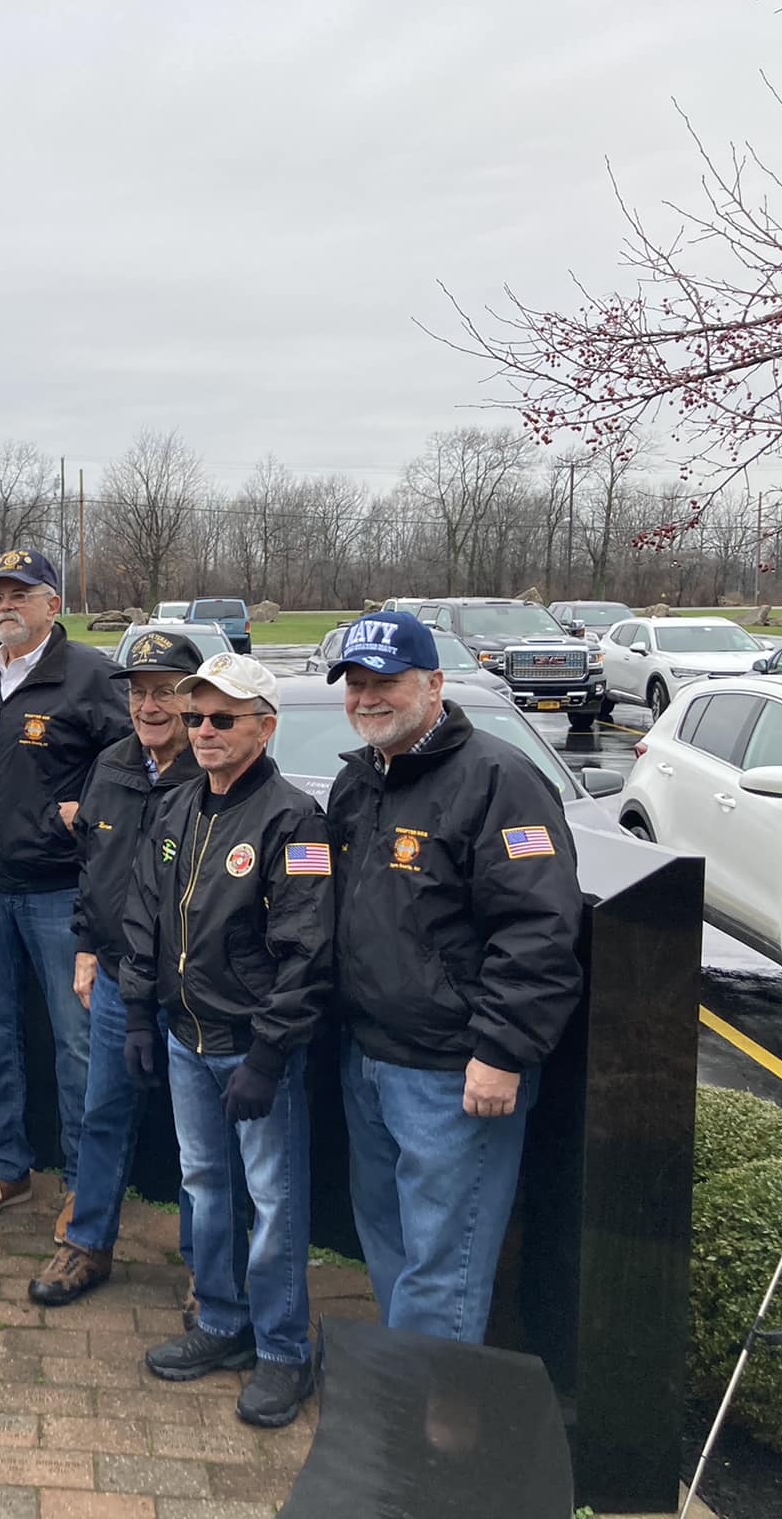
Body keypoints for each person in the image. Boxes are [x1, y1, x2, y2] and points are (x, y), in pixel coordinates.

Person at [324, 610, 581, 1344]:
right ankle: (411, 1398)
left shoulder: (499, 781)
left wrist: (502, 1051)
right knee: (390, 1244)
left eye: (389, 683)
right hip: (368, 1058)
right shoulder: (360, 783)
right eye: (358, 683)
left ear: (434, 684)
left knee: (446, 1266)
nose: (370, 698)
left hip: (452, 1075)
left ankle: (428, 1437)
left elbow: (538, 929)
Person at [122, 653, 332, 1428]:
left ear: (264, 728)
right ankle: (220, 1321)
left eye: (224, 718)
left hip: (251, 1048)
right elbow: (145, 913)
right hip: (183, 1038)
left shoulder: (293, 819)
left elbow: (307, 949)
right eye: (197, 716)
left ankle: (282, 1350)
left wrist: (270, 1056)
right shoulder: (176, 809)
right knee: (205, 1184)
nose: (204, 730)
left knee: (274, 1201)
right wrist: (140, 1014)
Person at [0, 549, 130, 1235]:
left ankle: (87, 1182)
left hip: (61, 892)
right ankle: (4, 1167)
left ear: (54, 604)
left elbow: (135, 761)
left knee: (76, 1041)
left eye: (20, 593)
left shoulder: (90, 677)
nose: (4, 605)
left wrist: (83, 809)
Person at [29, 628, 203, 1306]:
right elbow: (93, 868)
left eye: (166, 692)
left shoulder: (214, 771)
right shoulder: (112, 765)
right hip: (113, 978)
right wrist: (82, 947)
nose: (150, 706)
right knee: (103, 1114)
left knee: (202, 1142)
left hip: (192, 989)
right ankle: (88, 1244)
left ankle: (205, 1266)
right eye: (139, 692)